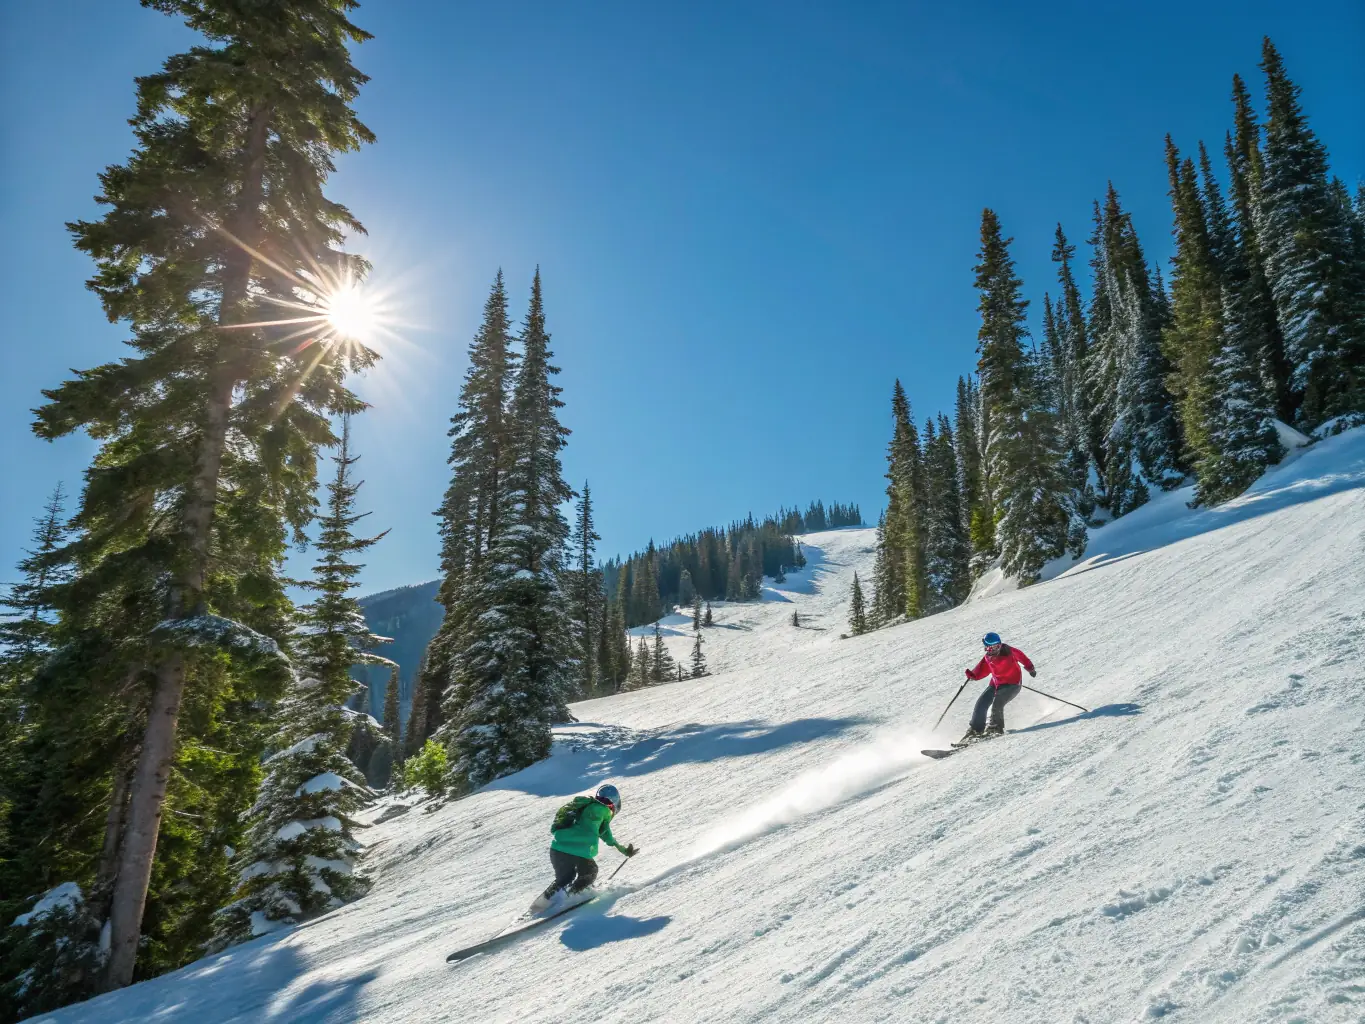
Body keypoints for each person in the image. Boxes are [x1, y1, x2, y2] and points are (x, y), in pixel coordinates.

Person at [531, 783, 638, 913]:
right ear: (614, 803)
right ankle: (573, 897)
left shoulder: (584, 806)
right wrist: (624, 850)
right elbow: (607, 836)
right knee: (590, 871)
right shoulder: (604, 811)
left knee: (565, 878)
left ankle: (541, 903)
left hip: (557, 849)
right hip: (578, 852)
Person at [960, 632, 1036, 742]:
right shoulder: (988, 658)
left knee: (997, 704)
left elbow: (1022, 657)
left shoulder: (1008, 651)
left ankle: (995, 728)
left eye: (996, 645)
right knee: (981, 703)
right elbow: (982, 670)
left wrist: (1030, 668)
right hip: (996, 684)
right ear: (986, 647)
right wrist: (973, 675)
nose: (995, 649)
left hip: (1012, 685)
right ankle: (976, 729)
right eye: (991, 647)